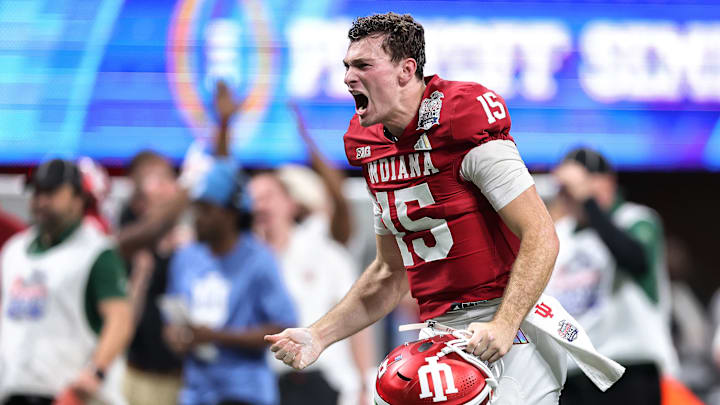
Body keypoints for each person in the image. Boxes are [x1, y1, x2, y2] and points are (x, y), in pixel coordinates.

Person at [266, 12, 623, 404]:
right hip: (438, 333)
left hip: (511, 330)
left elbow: (540, 234)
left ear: (406, 70)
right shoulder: (370, 146)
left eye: (363, 65)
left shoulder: (462, 119)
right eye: (347, 66)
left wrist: (504, 324)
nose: (349, 77)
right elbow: (391, 271)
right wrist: (319, 335)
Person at [546, 148, 678, 405]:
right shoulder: (560, 234)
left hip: (629, 370)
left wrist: (589, 201)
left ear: (607, 181)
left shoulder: (636, 219)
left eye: (576, 186)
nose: (571, 195)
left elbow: (633, 258)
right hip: (573, 375)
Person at [163, 157, 297, 405]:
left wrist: (217, 337)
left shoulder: (259, 259)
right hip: (195, 392)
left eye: (206, 209)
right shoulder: (185, 258)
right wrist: (175, 335)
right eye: (196, 208)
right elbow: (171, 318)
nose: (197, 217)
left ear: (230, 214)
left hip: (246, 393)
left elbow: (283, 327)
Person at [0, 159, 132, 405]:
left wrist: (95, 372)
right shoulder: (14, 251)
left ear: (78, 198)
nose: (41, 201)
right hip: (15, 387)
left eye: (51, 193)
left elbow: (120, 318)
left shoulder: (96, 252)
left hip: (68, 392)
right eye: (37, 192)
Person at [250, 169, 374, 405]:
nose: (260, 206)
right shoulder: (244, 262)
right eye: (253, 199)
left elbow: (357, 316)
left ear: (291, 203)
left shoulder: (325, 252)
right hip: (266, 386)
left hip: (329, 380)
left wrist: (364, 382)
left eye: (267, 196)